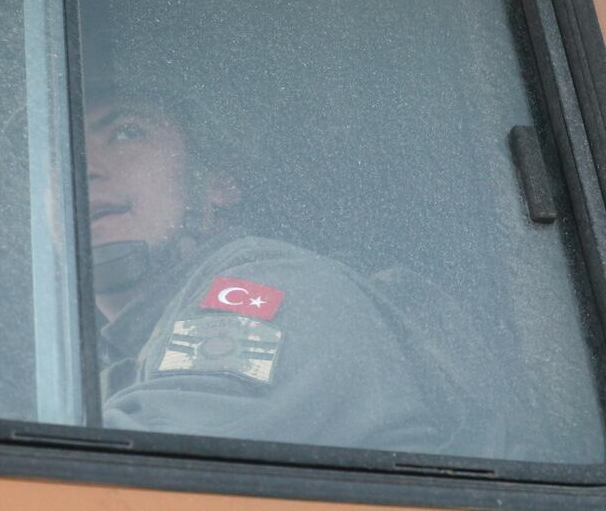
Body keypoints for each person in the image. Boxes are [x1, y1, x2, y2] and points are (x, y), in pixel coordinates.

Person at [85, 90, 507, 456]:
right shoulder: (114, 362)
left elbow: (157, 449)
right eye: (56, 150)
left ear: (220, 184)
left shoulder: (272, 280)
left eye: (125, 133)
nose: (82, 167)